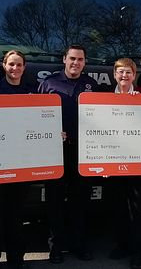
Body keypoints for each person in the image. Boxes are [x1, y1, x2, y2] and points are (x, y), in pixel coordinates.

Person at [38, 44, 99, 264]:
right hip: (55, 152)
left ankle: (79, 245)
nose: (75, 63)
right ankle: (56, 248)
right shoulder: (48, 84)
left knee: (80, 201)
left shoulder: (91, 85)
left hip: (83, 152)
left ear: (84, 62)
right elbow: (36, 117)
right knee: (54, 201)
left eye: (80, 59)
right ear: (64, 59)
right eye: (72, 58)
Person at [0, 50, 35, 269]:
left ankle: (16, 258)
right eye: (11, 64)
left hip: (21, 162)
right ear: (4, 66)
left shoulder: (32, 94)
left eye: (19, 65)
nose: (15, 68)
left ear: (24, 67)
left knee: (16, 214)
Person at [107, 58, 141, 269]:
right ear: (114, 75)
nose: (124, 76)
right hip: (114, 162)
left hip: (139, 162)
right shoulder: (104, 96)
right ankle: (122, 245)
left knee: (139, 209)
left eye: (128, 72)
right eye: (120, 72)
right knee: (118, 207)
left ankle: (139, 251)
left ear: (134, 75)